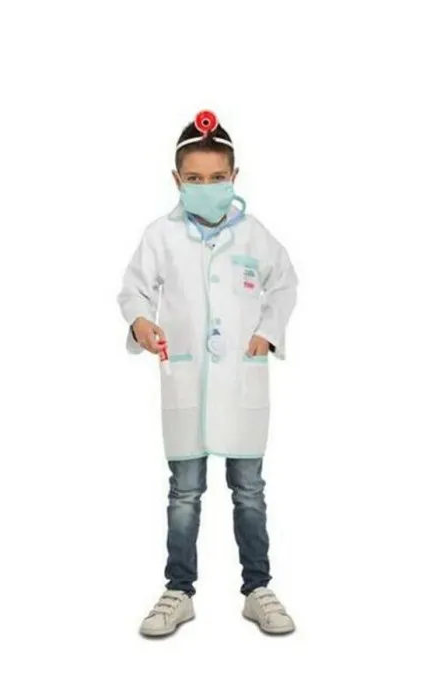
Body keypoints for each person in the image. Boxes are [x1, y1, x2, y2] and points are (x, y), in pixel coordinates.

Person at [117, 110, 298, 637]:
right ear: (177, 180)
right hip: (187, 382)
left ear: (234, 177)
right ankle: (179, 591)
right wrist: (141, 322)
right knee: (184, 493)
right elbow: (133, 290)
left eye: (217, 177)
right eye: (194, 178)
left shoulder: (255, 237)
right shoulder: (161, 236)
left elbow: (285, 283)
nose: (206, 186)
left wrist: (268, 332)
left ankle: (257, 589)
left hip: (241, 381)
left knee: (249, 490)